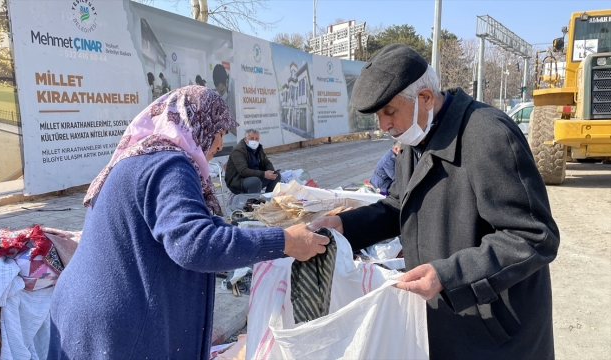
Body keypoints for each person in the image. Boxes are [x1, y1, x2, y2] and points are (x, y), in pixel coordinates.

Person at [310, 44, 560, 359]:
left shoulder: (489, 135)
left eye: (389, 111)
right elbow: (399, 206)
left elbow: (534, 237)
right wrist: (345, 225)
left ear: (425, 98)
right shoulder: (414, 138)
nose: (383, 125)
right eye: (378, 115)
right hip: (444, 323)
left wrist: (447, 275)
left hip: (494, 334)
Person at [48, 86, 329, 359]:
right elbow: (194, 243)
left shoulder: (141, 156)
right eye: (219, 131)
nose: (220, 144)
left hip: (88, 310)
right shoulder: (170, 165)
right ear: (197, 123)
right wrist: (285, 241)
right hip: (120, 326)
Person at [225, 129, 280, 194]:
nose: (254, 141)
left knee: (276, 176)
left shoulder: (258, 148)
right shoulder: (238, 151)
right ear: (245, 139)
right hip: (238, 180)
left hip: (255, 176)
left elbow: (266, 162)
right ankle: (252, 202)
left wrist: (271, 172)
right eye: (252, 138)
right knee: (255, 181)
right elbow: (243, 171)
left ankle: (268, 198)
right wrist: (263, 174)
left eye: (256, 139)